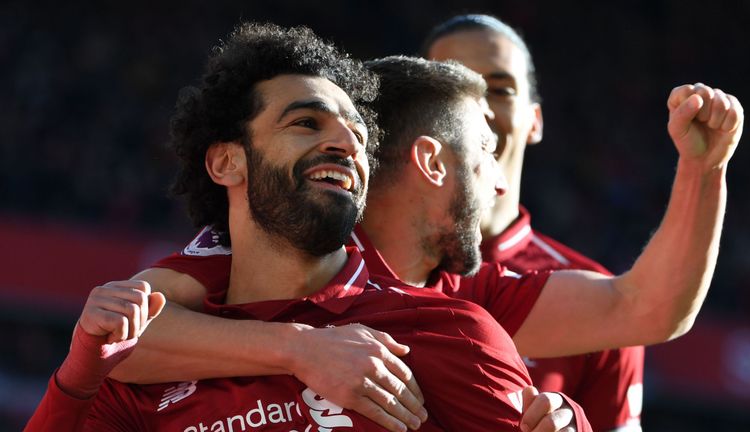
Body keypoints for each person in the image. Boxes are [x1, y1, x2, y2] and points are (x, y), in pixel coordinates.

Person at [25, 23, 590, 432]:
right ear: (227, 162)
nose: (346, 143)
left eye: (358, 136)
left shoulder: (447, 332)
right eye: (305, 122)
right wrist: (77, 377)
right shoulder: (150, 367)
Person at [421, 14, 644, 430]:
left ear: (535, 120)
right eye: (454, 86)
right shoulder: (350, 261)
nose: (480, 108)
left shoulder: (596, 296)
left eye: (500, 89)